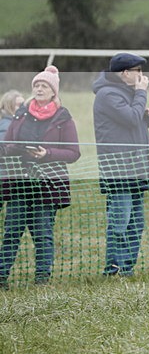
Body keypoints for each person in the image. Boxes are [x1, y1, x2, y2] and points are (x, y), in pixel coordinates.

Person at [0, 66, 80, 289]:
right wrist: (6, 150)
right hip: (19, 182)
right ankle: (1, 277)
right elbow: (8, 143)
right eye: (36, 85)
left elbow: (74, 153)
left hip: (47, 185)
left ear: (53, 91)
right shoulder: (22, 115)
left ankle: (42, 280)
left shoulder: (63, 118)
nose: (39, 88)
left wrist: (48, 154)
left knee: (43, 235)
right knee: (11, 233)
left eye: (44, 85)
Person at [92, 53, 149, 277]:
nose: (141, 75)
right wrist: (141, 94)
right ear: (124, 73)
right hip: (119, 169)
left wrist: (146, 118)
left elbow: (133, 125)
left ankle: (126, 269)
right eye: (137, 70)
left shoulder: (126, 93)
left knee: (136, 223)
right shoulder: (108, 94)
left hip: (136, 168)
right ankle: (113, 269)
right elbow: (129, 118)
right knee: (120, 222)